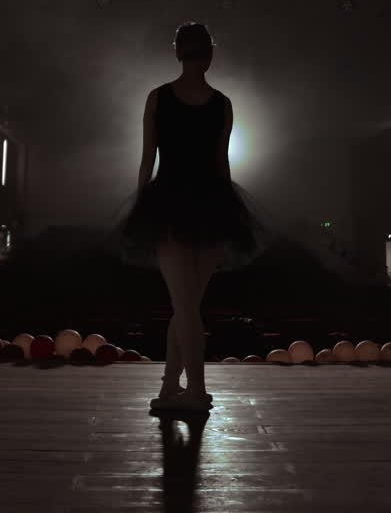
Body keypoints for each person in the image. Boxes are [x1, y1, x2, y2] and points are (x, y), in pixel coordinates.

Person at [109, 22, 272, 412]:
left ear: (178, 53)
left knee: (184, 307)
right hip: (212, 204)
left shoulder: (158, 98)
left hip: (170, 204)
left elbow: (147, 160)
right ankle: (171, 387)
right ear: (210, 55)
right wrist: (228, 210)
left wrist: (142, 206)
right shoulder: (222, 104)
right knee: (188, 306)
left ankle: (194, 390)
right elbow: (221, 165)